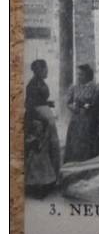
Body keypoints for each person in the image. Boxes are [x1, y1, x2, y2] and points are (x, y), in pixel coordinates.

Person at [25, 59, 61, 196]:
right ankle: (38, 184)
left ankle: (50, 180)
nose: (47, 71)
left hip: (46, 117)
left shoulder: (40, 82)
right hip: (40, 120)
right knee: (41, 150)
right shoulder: (32, 85)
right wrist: (40, 120)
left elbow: (39, 100)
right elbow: (29, 105)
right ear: (38, 70)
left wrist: (47, 103)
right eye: (44, 69)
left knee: (51, 147)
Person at [64, 64, 99, 163]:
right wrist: (73, 108)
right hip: (76, 119)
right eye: (78, 74)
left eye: (81, 75)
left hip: (89, 119)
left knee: (86, 143)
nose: (79, 77)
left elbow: (95, 102)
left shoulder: (95, 87)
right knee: (75, 143)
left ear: (88, 75)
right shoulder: (74, 87)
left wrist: (87, 107)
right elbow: (68, 102)